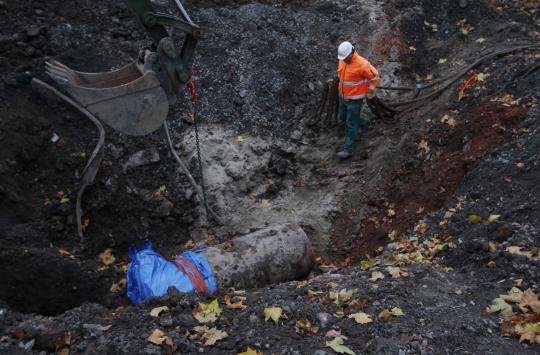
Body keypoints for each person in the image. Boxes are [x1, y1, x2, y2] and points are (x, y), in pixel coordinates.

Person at [336, 41, 380, 159]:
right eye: (343, 58)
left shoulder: (362, 64)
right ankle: (364, 122)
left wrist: (370, 92)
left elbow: (375, 77)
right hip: (343, 97)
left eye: (346, 58)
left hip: (355, 101)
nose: (344, 60)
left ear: (352, 52)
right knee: (343, 117)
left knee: (350, 124)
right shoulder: (343, 60)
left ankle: (348, 149)